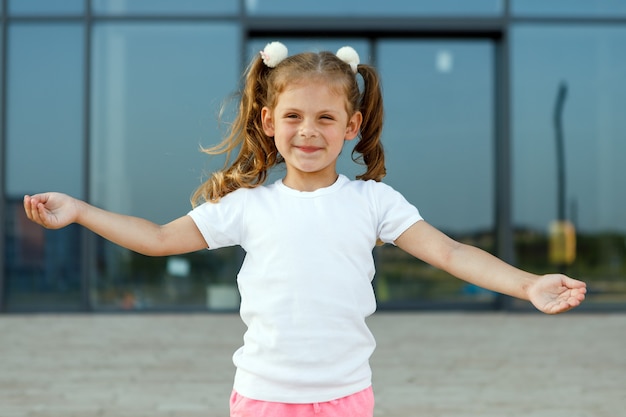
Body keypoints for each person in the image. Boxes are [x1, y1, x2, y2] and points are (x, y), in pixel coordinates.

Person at [23, 42, 587, 417]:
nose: (308, 131)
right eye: (293, 116)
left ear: (351, 126)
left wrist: (528, 284)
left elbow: (451, 253)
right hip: (262, 399)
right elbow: (156, 238)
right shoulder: (247, 205)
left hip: (346, 398)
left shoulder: (374, 201)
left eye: (326, 118)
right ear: (269, 123)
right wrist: (79, 211)